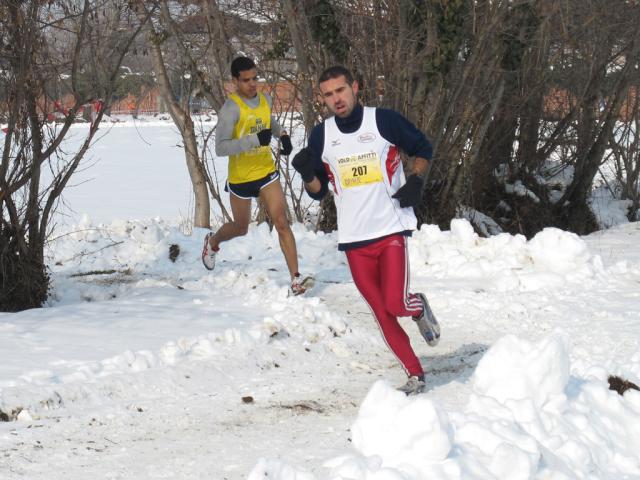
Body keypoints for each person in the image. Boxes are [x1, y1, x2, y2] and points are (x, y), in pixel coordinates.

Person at [291, 66, 440, 395]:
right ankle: (415, 374)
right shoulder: (322, 136)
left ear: (355, 87)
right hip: (354, 239)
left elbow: (423, 149)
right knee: (381, 313)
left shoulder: (383, 121)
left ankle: (417, 306)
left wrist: (416, 180)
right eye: (328, 95)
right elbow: (318, 191)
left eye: (341, 90)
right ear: (323, 99)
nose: (336, 99)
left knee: (397, 303)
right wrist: (305, 173)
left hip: (390, 230)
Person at [202, 56, 311, 295]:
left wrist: (281, 134)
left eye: (255, 78)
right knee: (241, 228)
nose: (252, 84)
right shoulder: (230, 109)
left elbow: (268, 121)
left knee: (281, 222)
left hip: (266, 172)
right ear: (234, 81)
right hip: (241, 178)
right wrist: (253, 140)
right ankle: (212, 242)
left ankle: (295, 279)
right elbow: (221, 148)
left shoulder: (265, 99)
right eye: (246, 80)